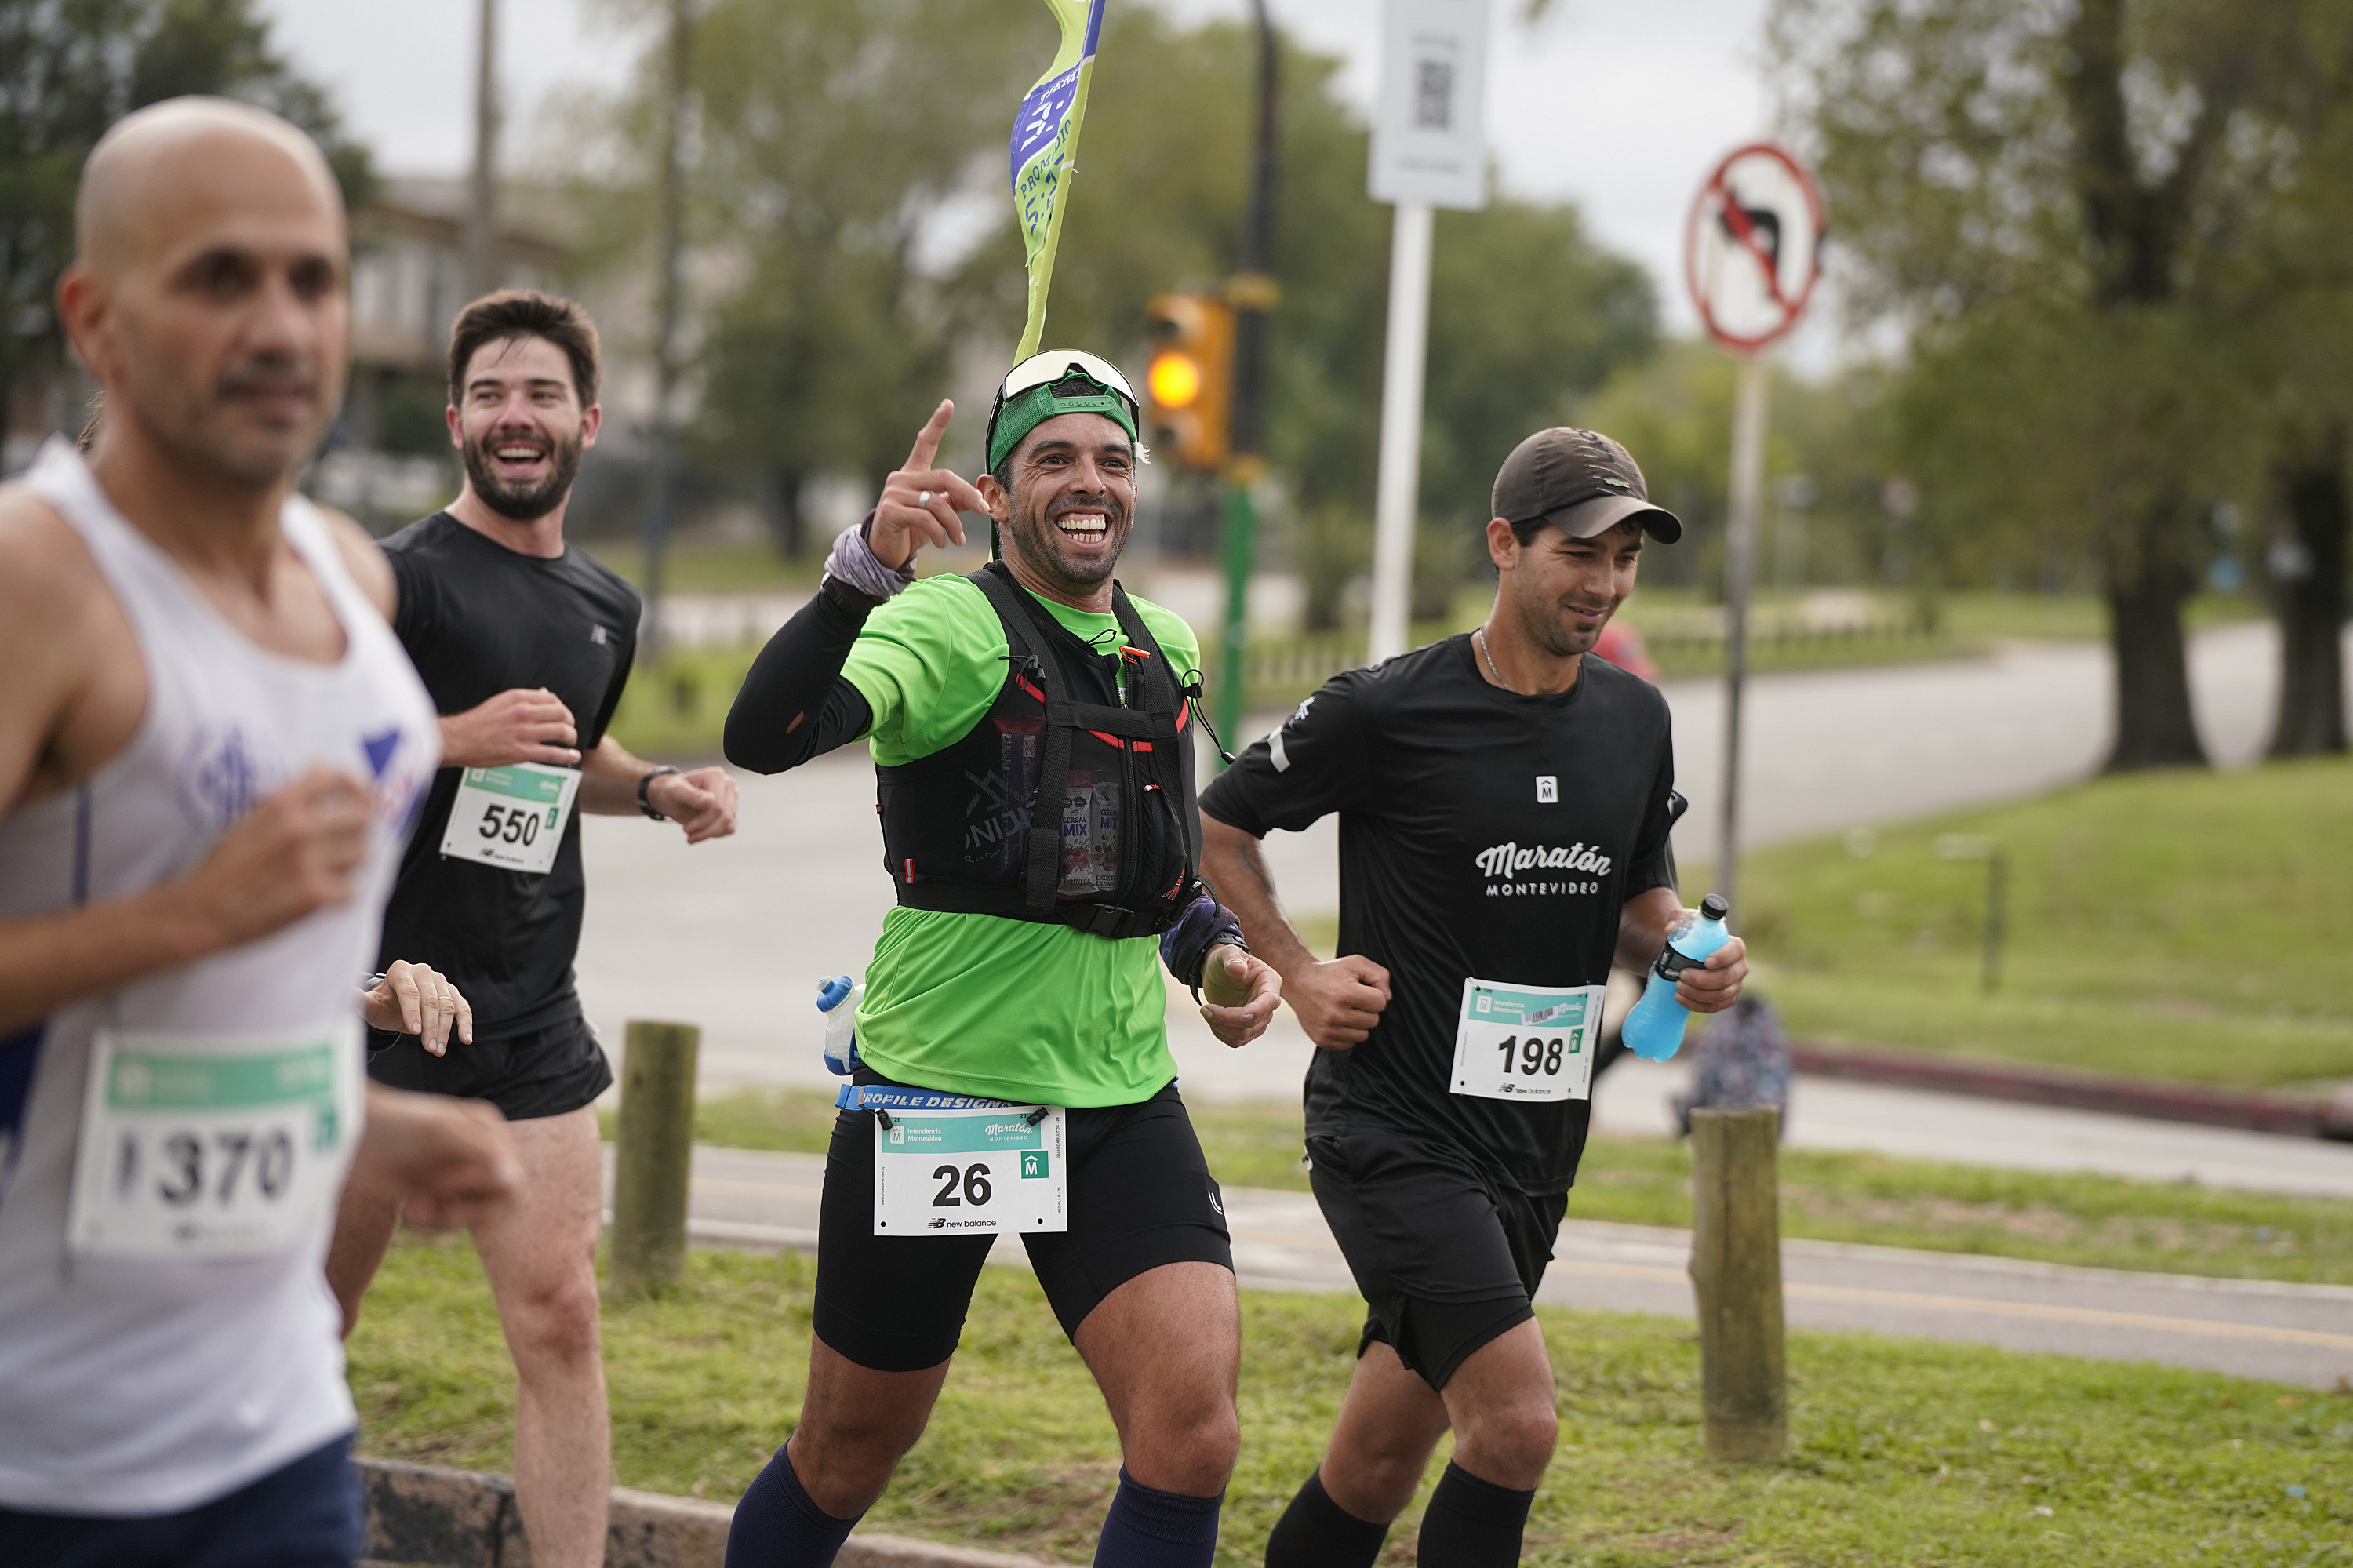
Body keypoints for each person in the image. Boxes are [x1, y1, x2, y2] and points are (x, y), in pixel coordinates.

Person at [0, 97, 521, 1565]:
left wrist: (363, 1118)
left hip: (274, 1429)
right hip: (38, 1463)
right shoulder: (40, 583)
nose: (282, 326)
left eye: (314, 278)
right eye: (220, 278)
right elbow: (192, 936)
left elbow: (183, 1042)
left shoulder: (352, 584)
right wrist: (191, 913)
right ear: (97, 320)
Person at [719, 351, 1282, 1568]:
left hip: (1121, 1097)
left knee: (1192, 1437)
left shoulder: (1163, 643)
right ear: (996, 487)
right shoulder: (945, 622)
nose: (1090, 484)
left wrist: (1219, 958)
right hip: (942, 1097)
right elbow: (763, 739)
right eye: (1055, 460)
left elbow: (1163, 875)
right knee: (848, 1453)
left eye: (1113, 460)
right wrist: (862, 574)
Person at [1198, 427, 1751, 1567]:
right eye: (1579, 553)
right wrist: (1298, 973)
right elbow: (1212, 825)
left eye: (1626, 559)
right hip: (1391, 1129)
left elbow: (1636, 896)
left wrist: (1689, 953)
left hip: (1537, 1142)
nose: (1604, 584)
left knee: (1376, 1464)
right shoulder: (1385, 711)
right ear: (1505, 544)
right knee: (1515, 1426)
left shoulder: (1634, 720)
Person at [322, 289, 740, 1567]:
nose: (517, 414)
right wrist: (451, 737)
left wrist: (655, 785)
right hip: (370, 1006)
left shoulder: (603, 603)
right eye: (493, 392)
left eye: (542, 393)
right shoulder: (396, 581)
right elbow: (304, 747)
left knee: (561, 1319)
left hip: (527, 1011)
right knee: (296, 1333)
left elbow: (571, 751)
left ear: (589, 422)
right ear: (455, 419)